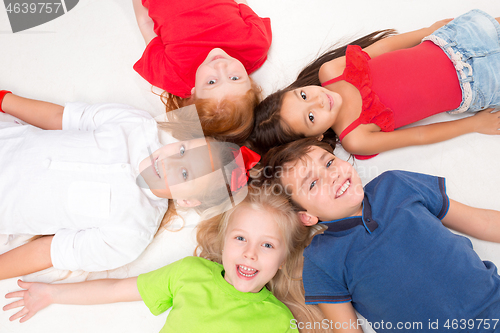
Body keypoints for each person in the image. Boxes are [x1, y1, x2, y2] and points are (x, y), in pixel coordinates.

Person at [0, 90, 253, 280]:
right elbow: (62, 117)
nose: (169, 160)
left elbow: (48, 251)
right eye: (183, 149)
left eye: (184, 173)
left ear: (187, 201)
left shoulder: (131, 232)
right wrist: (5, 100)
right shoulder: (136, 125)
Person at [259, 137, 500, 332]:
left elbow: (482, 222)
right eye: (312, 183)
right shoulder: (320, 259)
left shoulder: (396, 184)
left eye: (329, 162)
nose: (331, 175)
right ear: (306, 217)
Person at [4, 187, 318, 332]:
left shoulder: (278, 321)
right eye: (240, 238)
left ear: (282, 259)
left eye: (266, 245)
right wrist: (51, 292)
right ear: (223, 243)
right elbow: (115, 290)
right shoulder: (190, 273)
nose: (250, 252)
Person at [249, 10, 500, 159]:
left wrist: (427, 30)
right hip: (478, 84)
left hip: (451, 42)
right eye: (312, 116)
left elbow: (383, 47)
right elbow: (420, 135)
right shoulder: (356, 137)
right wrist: (473, 124)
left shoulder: (332, 71)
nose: (318, 100)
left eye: (303, 96)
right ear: (315, 136)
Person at [132, 0, 272, 143]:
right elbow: (242, 4)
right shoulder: (254, 45)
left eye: (211, 82)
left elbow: (146, 24)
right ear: (250, 82)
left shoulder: (174, 75)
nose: (221, 66)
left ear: (193, 94)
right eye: (235, 78)